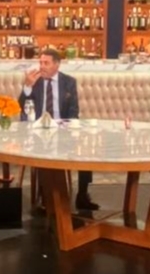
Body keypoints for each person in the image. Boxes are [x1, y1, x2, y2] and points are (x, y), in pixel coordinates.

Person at [21, 47, 99, 211]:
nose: (42, 66)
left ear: (57, 64)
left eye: (46, 63)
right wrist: (27, 87)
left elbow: (73, 111)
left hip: (63, 129)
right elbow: (22, 107)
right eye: (41, 62)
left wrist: (69, 128)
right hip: (40, 130)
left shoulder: (69, 82)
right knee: (42, 148)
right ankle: (45, 195)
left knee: (86, 149)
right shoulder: (35, 81)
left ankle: (82, 194)